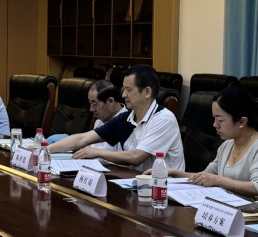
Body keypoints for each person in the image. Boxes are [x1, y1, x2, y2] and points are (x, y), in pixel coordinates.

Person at [48, 65, 184, 172]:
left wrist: (97, 152)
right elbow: (83, 138)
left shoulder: (163, 119)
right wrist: (45, 149)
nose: (123, 95)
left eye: (129, 90)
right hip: (134, 182)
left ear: (147, 92)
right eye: (123, 89)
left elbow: (136, 157)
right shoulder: (126, 118)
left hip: (166, 188)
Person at [168, 85, 258, 207]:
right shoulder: (227, 145)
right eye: (214, 118)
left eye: (220, 120)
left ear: (242, 121)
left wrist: (218, 180)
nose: (215, 124)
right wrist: (172, 172)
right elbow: (204, 176)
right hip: (232, 212)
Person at [89, 80, 127, 152]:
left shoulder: (128, 122)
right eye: (90, 103)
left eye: (95, 103)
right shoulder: (99, 121)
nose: (91, 109)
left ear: (110, 101)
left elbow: (123, 158)